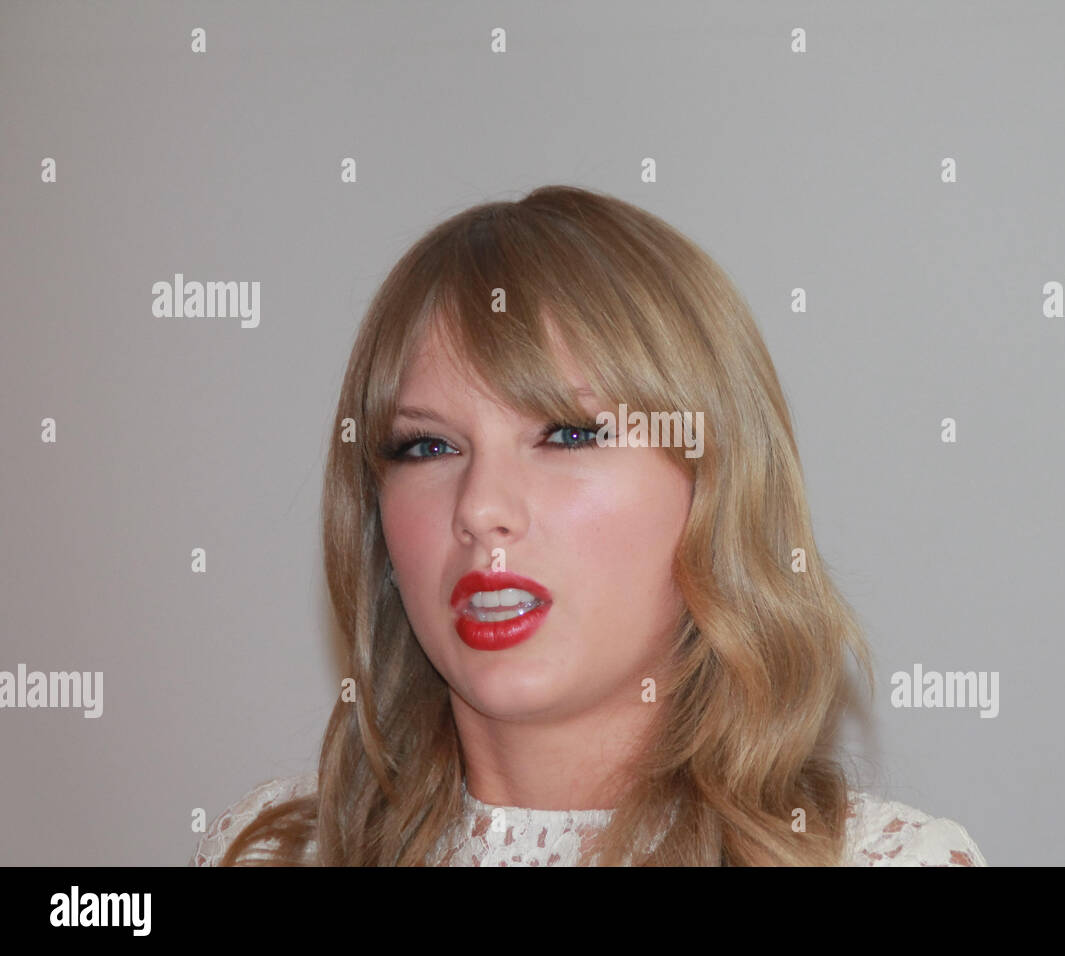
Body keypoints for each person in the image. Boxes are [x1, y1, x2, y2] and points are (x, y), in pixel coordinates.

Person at [189, 185, 986, 866]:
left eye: (568, 434)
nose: (481, 508)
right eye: (428, 445)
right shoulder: (269, 851)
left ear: (715, 484)